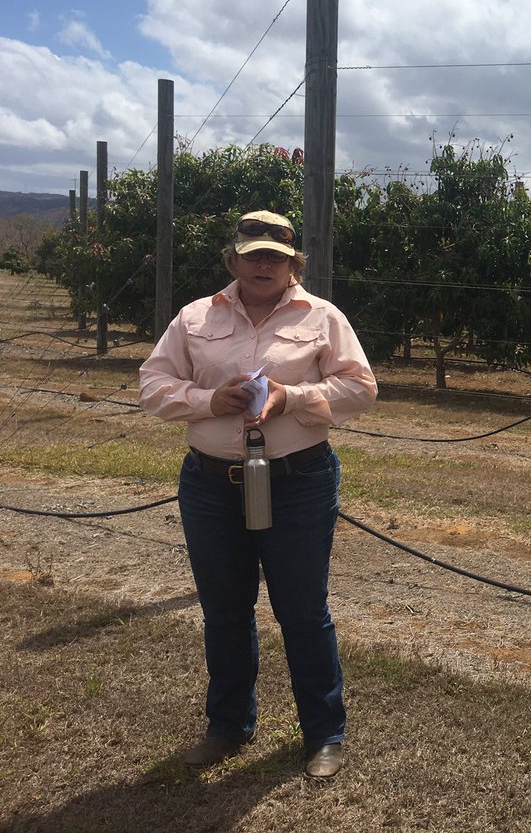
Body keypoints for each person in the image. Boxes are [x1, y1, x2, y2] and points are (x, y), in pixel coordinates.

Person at [139, 210, 377, 779]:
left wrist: (291, 397)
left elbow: (360, 388)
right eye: (254, 254)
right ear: (234, 260)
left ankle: (324, 735)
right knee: (224, 610)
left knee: (302, 611)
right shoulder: (194, 317)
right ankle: (227, 726)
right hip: (211, 484)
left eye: (276, 256)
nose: (264, 264)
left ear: (294, 263)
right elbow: (153, 384)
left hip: (298, 481)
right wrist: (207, 401)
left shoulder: (323, 317)